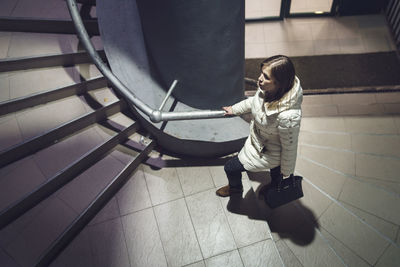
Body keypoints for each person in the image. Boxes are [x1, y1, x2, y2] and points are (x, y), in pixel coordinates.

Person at [216, 55, 302, 197]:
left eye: (266, 77)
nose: (260, 79)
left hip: (269, 152)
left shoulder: (288, 116)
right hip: (261, 142)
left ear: (279, 83)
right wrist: (234, 109)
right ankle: (274, 183)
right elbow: (253, 102)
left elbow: (290, 147)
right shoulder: (268, 90)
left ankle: (235, 189)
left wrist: (287, 171)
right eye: (262, 73)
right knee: (276, 172)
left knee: (231, 168)